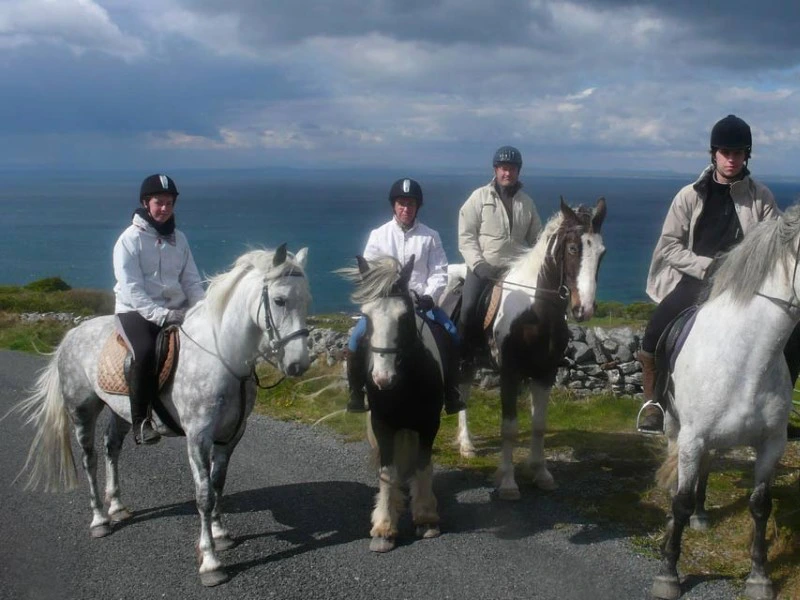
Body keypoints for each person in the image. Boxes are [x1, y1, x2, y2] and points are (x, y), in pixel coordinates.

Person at [638, 115, 780, 433]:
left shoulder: (762, 198)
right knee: (654, 331)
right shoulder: (689, 196)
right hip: (697, 282)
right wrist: (706, 267)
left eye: (738, 152)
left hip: (746, 286)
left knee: (791, 333)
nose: (731, 158)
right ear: (714, 154)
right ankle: (653, 403)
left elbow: (775, 243)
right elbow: (669, 247)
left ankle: (778, 410)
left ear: (747, 155)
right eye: (725, 152)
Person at [346, 177, 465, 415]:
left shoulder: (430, 236)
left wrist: (429, 295)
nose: (406, 208)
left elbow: (440, 271)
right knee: (356, 339)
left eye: (410, 204)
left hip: (421, 303)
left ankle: (451, 393)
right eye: (401, 203)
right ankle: (356, 393)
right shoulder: (379, 235)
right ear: (394, 205)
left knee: (452, 334)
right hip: (386, 307)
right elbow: (368, 274)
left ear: (417, 207)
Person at [113, 174, 205, 445]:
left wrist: (202, 309)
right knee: (143, 352)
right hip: (135, 311)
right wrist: (161, 315)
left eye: (169, 203)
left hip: (176, 309)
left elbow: (190, 280)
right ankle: (141, 422)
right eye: (158, 202)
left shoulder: (180, 239)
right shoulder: (129, 240)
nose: (164, 208)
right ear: (145, 203)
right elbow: (132, 289)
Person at [457, 145, 542, 375]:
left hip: (515, 271)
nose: (507, 173)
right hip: (483, 269)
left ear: (518, 171)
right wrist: (479, 265)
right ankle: (466, 356)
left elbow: (537, 239)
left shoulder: (527, 203)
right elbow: (466, 236)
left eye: (512, 169)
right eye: (503, 168)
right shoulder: (479, 197)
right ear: (495, 170)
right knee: (469, 307)